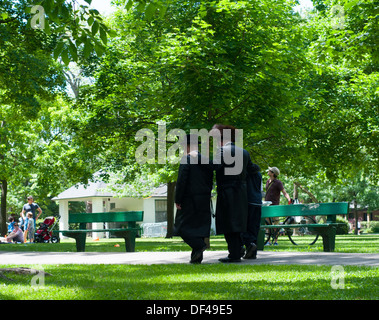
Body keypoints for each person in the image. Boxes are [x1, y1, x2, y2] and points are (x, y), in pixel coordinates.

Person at [211, 124, 260, 263]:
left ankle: (234, 254)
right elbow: (253, 168)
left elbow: (214, 166)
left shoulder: (222, 151)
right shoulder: (244, 152)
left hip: (227, 191)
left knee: (228, 223)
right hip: (242, 193)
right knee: (238, 223)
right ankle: (238, 249)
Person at [173, 134, 213, 264]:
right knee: (199, 228)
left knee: (181, 227)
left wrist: (178, 199)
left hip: (189, 199)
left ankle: (199, 246)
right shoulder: (206, 160)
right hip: (204, 198)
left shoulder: (187, 159)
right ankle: (196, 257)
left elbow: (182, 181)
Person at [264, 166, 291, 245]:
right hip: (267, 206)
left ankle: (276, 241)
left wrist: (289, 199)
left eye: (269, 171)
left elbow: (284, 192)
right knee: (267, 224)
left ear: (272, 173)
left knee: (276, 224)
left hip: (275, 206)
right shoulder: (267, 181)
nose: (268, 171)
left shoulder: (278, 182)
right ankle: (268, 241)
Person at [242, 169, 262, 259]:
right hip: (257, 201)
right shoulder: (258, 173)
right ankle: (253, 252)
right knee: (254, 227)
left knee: (246, 226)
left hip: (248, 200)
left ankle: (249, 244)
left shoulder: (245, 172)